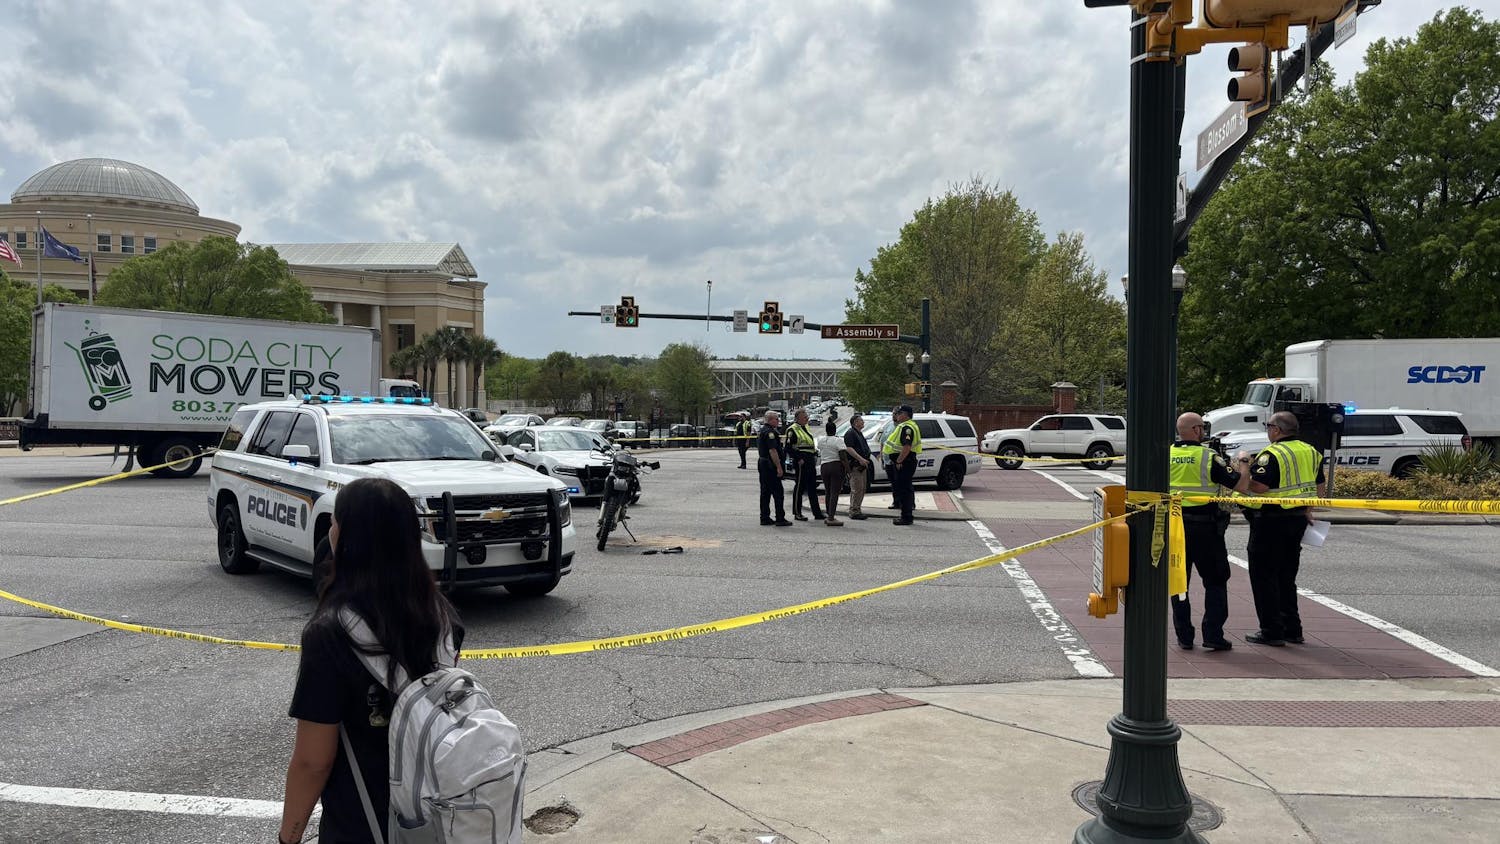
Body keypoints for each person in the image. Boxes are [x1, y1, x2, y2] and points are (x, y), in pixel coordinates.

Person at [280, 477, 464, 844]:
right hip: (433, 817)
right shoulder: (442, 618)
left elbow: (313, 761)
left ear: (347, 537)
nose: (330, 528)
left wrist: (288, 837)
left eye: (335, 521)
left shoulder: (331, 633)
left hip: (361, 825)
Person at [1237, 410, 1327, 647]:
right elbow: (1320, 486)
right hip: (1297, 519)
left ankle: (1271, 631)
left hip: (1270, 521)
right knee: (1287, 577)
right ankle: (1292, 629)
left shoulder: (1272, 454)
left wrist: (1244, 464)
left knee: (1264, 577)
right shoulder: (1311, 451)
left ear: (1276, 430)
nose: (1267, 430)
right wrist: (1308, 508)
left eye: (1268, 426)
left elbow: (1258, 487)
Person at [1169, 412, 1251, 652]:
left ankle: (1184, 636)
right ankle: (1213, 635)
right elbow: (1241, 485)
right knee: (1215, 581)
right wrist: (1244, 461)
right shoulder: (1208, 457)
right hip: (1206, 529)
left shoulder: (1166, 455)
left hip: (1175, 528)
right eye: (1202, 427)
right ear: (1196, 430)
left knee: (1179, 583)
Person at [882, 405, 921, 525]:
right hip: (904, 461)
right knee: (904, 488)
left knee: (904, 490)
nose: (897, 415)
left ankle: (906, 517)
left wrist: (899, 461)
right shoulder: (903, 426)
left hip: (905, 462)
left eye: (899, 413)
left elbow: (907, 447)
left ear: (905, 414)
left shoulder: (907, 428)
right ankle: (905, 515)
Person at [784, 408, 824, 521]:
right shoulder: (792, 430)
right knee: (800, 487)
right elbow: (788, 448)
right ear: (798, 418)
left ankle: (817, 513)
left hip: (810, 459)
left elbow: (808, 444)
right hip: (802, 461)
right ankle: (797, 512)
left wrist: (815, 451)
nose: (807, 418)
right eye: (804, 416)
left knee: (812, 487)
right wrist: (798, 459)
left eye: (806, 416)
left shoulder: (805, 427)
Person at [757, 410, 792, 526]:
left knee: (765, 492)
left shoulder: (764, 430)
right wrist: (779, 467)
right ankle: (780, 518)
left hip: (763, 463)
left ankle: (765, 517)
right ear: (770, 420)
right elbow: (773, 451)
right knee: (778, 492)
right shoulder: (770, 433)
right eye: (776, 419)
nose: (778, 421)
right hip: (770, 465)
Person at [842, 414, 874, 520]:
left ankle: (857, 509)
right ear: (855, 422)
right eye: (861, 420)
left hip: (862, 466)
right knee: (857, 488)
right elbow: (849, 448)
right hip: (856, 465)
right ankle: (854, 511)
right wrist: (860, 459)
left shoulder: (858, 433)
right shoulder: (850, 433)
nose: (863, 422)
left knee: (862, 488)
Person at [816, 419, 848, 526]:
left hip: (824, 466)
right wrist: (848, 470)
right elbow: (843, 456)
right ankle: (831, 517)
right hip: (835, 466)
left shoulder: (821, 440)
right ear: (835, 430)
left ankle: (828, 514)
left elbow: (819, 450)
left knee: (828, 492)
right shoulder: (838, 440)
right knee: (835, 492)